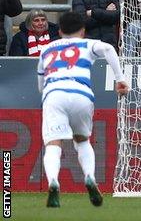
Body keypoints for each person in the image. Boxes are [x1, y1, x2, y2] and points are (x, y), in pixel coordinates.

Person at [37, 12, 129, 208]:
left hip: (54, 93)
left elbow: (40, 85)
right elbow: (108, 48)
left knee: (53, 144)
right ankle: (89, 177)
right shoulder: (88, 44)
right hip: (81, 93)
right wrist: (120, 78)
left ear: (60, 31)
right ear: (83, 30)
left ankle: (53, 181)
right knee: (82, 140)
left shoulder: (47, 49)